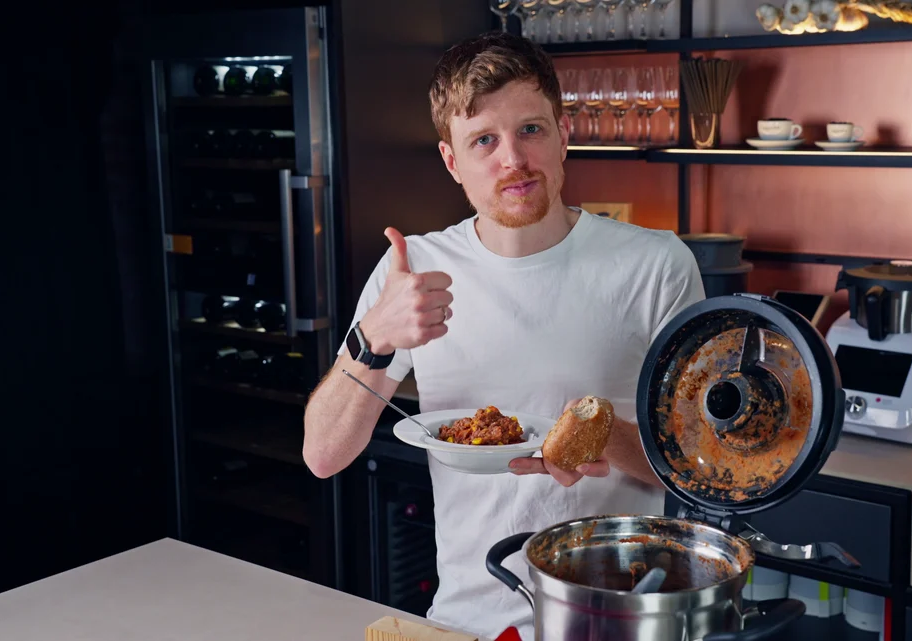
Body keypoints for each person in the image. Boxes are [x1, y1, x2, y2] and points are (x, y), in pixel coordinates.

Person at [302, 31, 705, 640]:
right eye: (484, 140)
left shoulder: (656, 265)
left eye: (531, 131)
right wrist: (373, 337)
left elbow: (698, 464)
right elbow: (324, 455)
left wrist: (602, 436)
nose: (512, 159)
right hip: (468, 619)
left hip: (616, 618)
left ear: (564, 134)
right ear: (451, 160)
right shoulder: (413, 269)